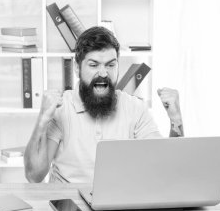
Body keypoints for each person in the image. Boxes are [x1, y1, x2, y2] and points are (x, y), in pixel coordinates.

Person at [24, 26, 184, 183]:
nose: (103, 73)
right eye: (93, 65)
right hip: (69, 204)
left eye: (110, 65)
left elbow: (167, 169)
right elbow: (34, 176)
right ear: (76, 67)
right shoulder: (62, 107)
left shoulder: (135, 108)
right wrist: (42, 119)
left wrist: (175, 118)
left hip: (119, 203)